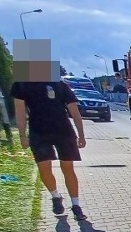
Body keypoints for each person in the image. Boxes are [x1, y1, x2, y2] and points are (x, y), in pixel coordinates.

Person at [11, 77, 88, 221]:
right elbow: (20, 111)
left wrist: (81, 135)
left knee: (68, 167)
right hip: (38, 132)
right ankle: (56, 196)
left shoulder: (59, 84)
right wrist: (22, 135)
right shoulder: (21, 85)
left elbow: (74, 111)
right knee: (44, 167)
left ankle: (76, 205)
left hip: (63, 131)